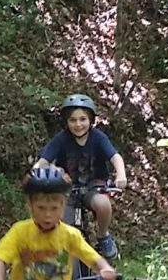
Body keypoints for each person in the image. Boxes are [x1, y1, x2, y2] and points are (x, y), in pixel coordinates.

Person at [33, 93, 128, 259]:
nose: (78, 124)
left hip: (94, 186)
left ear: (91, 120)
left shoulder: (98, 138)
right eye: (73, 120)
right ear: (66, 122)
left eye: (83, 119)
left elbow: (115, 157)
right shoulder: (61, 140)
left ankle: (103, 236)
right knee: (62, 227)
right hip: (66, 189)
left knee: (103, 205)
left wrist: (121, 174)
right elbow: (42, 162)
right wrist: (40, 174)